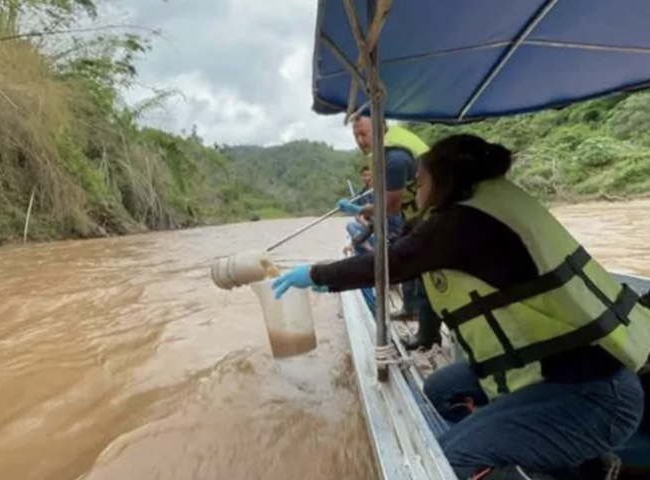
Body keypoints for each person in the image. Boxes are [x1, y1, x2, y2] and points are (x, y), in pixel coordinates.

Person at [271, 134, 650, 480]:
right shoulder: (482, 204)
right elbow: (407, 236)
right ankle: (567, 461)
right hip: (553, 368)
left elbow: (395, 261)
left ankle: (542, 462)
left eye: (419, 180)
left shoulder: (467, 221)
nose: (414, 189)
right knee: (442, 388)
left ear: (443, 179)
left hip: (594, 394)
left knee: (446, 462)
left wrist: (316, 274)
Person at [338, 116, 441, 349]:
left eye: (364, 133)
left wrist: (358, 209)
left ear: (380, 128)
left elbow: (389, 207)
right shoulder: (385, 152)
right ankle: (412, 310)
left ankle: (427, 334)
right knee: (415, 266)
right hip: (417, 214)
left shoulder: (394, 158)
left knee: (426, 273)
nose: (360, 140)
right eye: (356, 135)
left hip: (434, 213)